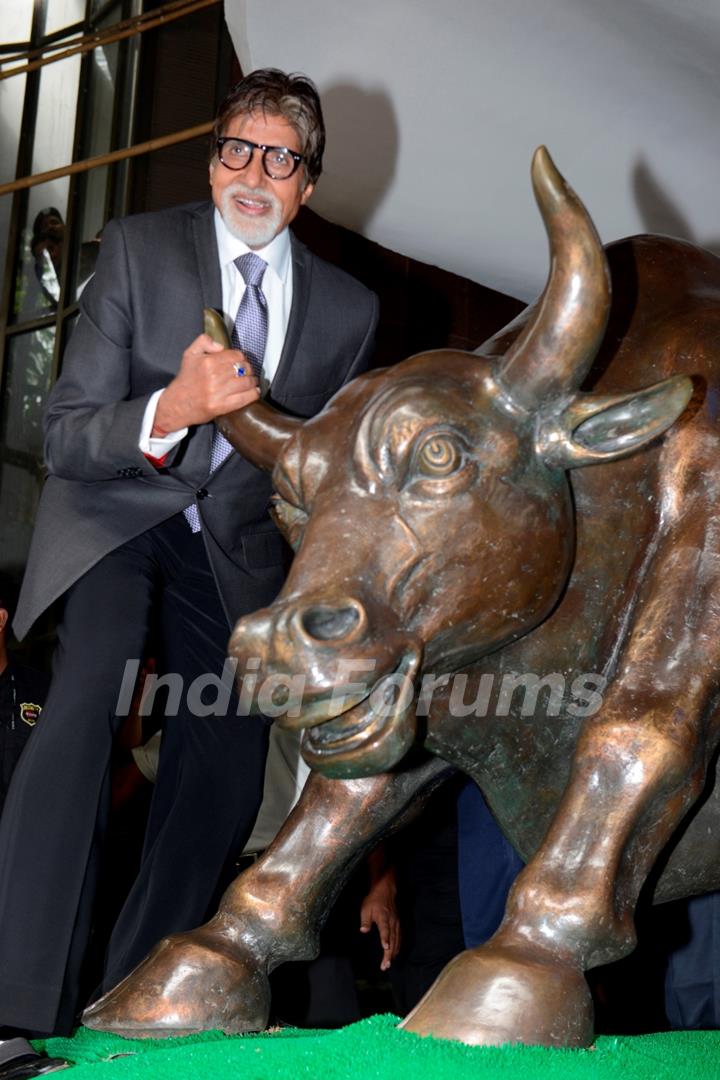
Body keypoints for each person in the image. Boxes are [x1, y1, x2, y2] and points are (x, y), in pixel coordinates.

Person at [0, 66, 378, 1063]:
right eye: (235, 150)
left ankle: (133, 997)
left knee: (225, 755)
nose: (253, 173)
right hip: (118, 517)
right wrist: (173, 409)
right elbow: (68, 435)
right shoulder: (136, 251)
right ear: (215, 162)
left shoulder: (349, 313)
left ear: (307, 181)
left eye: (278, 158)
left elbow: (319, 480)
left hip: (238, 556)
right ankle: (12, 1003)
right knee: (88, 697)